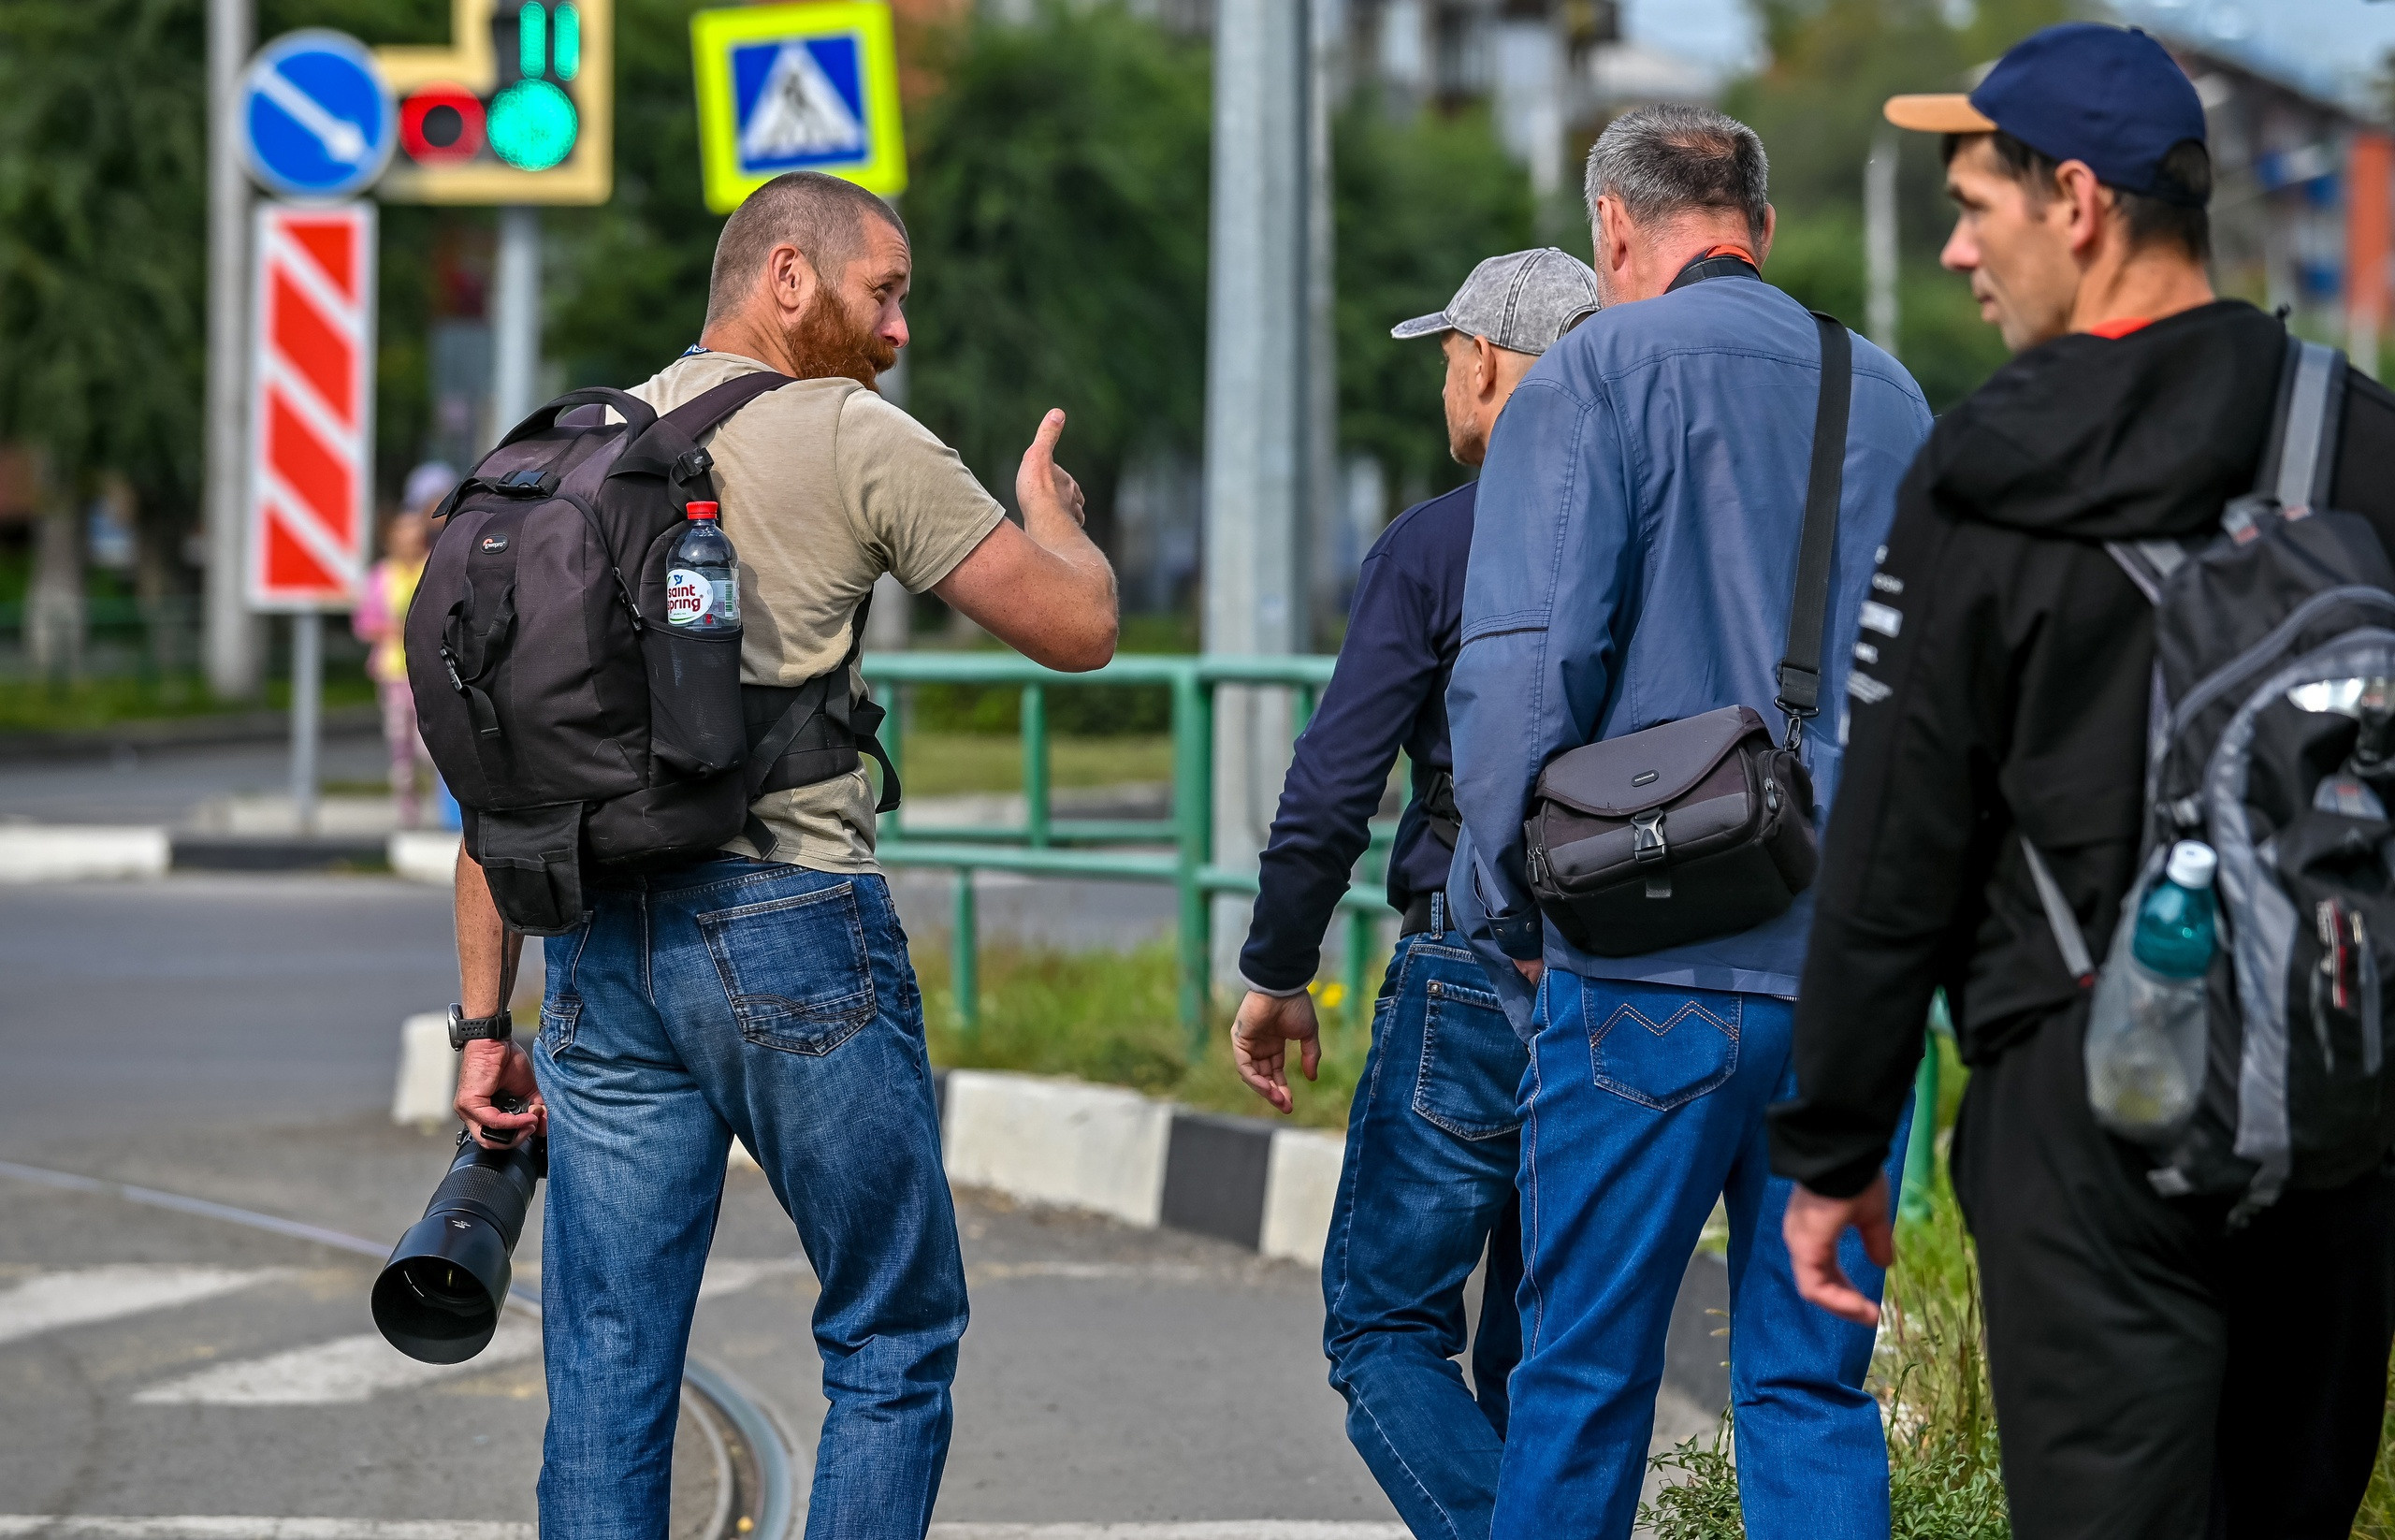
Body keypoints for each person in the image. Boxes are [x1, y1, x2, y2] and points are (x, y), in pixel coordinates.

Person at [1769, 24, 2395, 1538]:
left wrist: (1838, 1145)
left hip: (2086, 1105)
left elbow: (1894, 835)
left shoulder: (1985, 476)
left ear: (2078, 202)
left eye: (1976, 204)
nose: (1957, 247)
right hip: (2331, 1095)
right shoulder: (2354, 436)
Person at [444, 171, 1119, 1540]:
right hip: (790, 924)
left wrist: (480, 1020)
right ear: (790, 278)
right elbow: (1077, 628)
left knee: (609, 1361)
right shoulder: (852, 433)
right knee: (892, 1327)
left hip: (594, 944)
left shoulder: (586, 447)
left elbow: (503, 765)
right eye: (887, 291)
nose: (900, 328)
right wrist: (1052, 513)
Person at [1445, 105, 1933, 1538]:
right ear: (1759, 231)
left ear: (1610, 229)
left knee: (1583, 1376)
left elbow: (1527, 676)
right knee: (1811, 1389)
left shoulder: (1589, 379)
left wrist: (1512, 913)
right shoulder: (1893, 395)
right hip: (1848, 981)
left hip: (1644, 968)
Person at [1230, 247, 1600, 1540]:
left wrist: (1279, 970)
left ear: (1490, 369)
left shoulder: (1439, 544)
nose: (1447, 378)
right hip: (1632, 975)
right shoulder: (1656, 533)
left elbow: (1333, 783)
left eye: (1450, 356)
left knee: (1385, 1322)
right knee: (1547, 1346)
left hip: (1471, 964)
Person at [353, 463, 448, 829]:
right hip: (394, 671)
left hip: (428, 669)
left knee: (431, 745)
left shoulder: (431, 565)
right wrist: (391, 629)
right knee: (401, 745)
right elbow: (364, 623)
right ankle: (408, 811)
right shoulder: (381, 578)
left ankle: (442, 805)